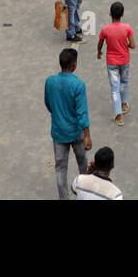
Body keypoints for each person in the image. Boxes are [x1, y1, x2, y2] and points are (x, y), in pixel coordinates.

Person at [45, 47, 92, 200]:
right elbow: (82, 112)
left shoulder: (50, 81)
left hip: (58, 133)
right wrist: (87, 135)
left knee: (60, 169)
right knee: (83, 164)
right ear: (74, 65)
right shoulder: (78, 85)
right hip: (76, 132)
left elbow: (48, 103)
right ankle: (85, 194)